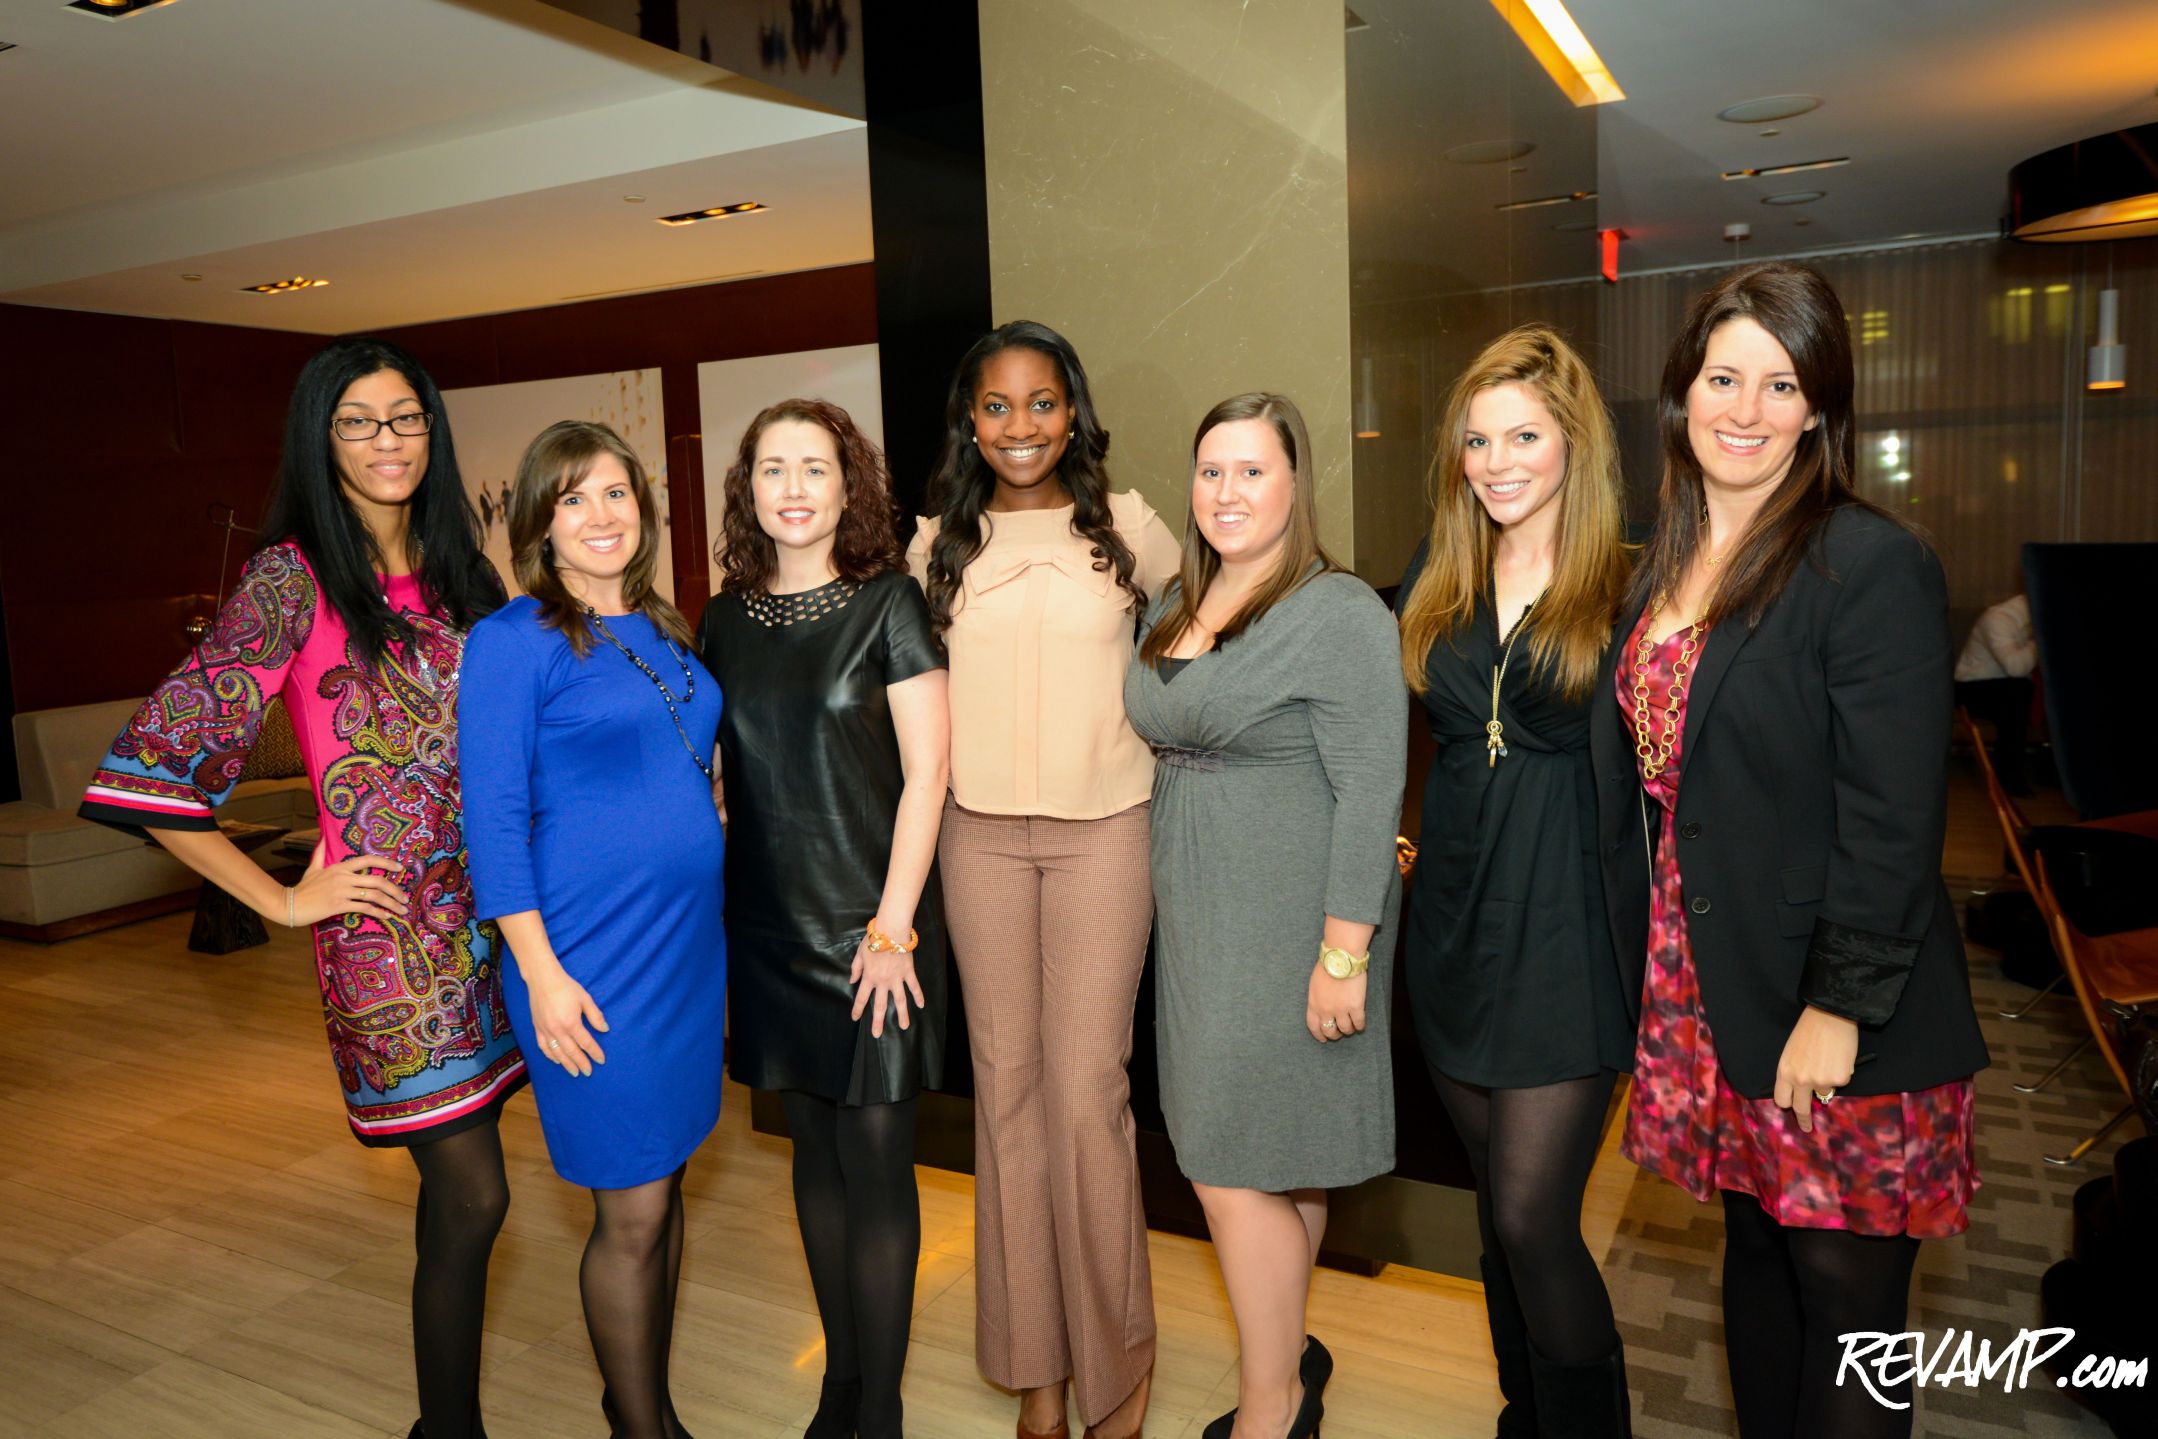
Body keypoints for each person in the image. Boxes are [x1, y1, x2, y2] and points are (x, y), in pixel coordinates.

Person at [78, 337, 524, 1439]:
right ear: (320, 441)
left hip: (491, 929)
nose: (387, 440)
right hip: (387, 947)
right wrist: (280, 900)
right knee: (477, 1194)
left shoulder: (463, 573)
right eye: (357, 422)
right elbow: (152, 768)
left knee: (456, 1199)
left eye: (405, 417)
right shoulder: (291, 579)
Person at [1588, 261, 1987, 1439]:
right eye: (1723, 377)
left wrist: (1839, 1005)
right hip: (1713, 985)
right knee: (1757, 1254)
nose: (1746, 408)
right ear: (1682, 391)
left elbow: (1893, 812)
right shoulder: (1662, 562)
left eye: (1780, 383)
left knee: (1846, 1299)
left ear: (1817, 408)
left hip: (1834, 997)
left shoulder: (1866, 560)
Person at [909, 320, 1181, 1439]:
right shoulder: (934, 545)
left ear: (1073, 413)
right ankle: (1037, 1366)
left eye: (1041, 401)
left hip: (1106, 833)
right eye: (996, 405)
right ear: (969, 422)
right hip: (976, 839)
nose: (1018, 425)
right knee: (1006, 1092)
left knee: (1086, 1095)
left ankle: (1115, 1362)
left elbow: (1204, 644)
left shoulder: (1133, 531)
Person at [1126, 393, 1407, 1439]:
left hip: (1292, 919)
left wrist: (1343, 953)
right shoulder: (1172, 599)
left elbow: (1372, 786)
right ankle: (1289, 1361)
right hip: (1197, 912)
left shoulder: (1338, 611)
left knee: (1225, 1163)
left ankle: (1268, 1406)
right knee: (1275, 1152)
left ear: (1295, 482)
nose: (1227, 490)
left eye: (1252, 469)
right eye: (1211, 470)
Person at [460, 420, 726, 1439]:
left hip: (683, 953)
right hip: (585, 957)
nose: (600, 515)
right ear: (540, 522)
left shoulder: (661, 622)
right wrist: (541, 974)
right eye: (573, 498)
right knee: (633, 1205)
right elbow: (492, 821)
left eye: (616, 492)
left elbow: (675, 756)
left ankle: (646, 1402)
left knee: (667, 1173)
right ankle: (641, 1428)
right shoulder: (513, 638)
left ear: (644, 510)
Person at [1394, 326, 1635, 1436]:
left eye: (1524, 436)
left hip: (1570, 940)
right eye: (1477, 439)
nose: (1496, 462)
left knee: (1537, 1215)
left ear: (1573, 442)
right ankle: (1522, 1417)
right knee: (1498, 1212)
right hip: (1452, 930)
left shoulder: (1628, 588)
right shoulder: (1436, 577)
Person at [697, 399, 951, 1439]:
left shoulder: (890, 602)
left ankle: (880, 1407)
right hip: (768, 929)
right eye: (773, 468)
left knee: (877, 1162)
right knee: (811, 1156)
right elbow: (721, 770)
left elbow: (930, 774)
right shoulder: (721, 618)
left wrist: (890, 930)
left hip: (874, 928)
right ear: (748, 490)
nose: (794, 487)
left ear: (850, 486)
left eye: (815, 466)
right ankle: (839, 1380)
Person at [1954, 592, 2036, 795]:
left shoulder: (2022, 621)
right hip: (1969, 687)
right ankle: (2009, 777)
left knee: (2020, 690)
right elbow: (2015, 667)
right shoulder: (1998, 619)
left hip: (2001, 686)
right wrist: (2039, 642)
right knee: (2018, 691)